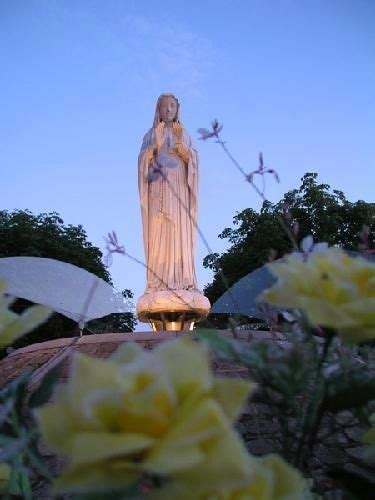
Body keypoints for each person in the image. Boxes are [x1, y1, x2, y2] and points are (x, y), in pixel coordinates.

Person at [138, 93, 199, 292]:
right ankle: (159, 280)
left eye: (173, 106)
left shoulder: (185, 133)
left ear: (177, 108)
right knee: (159, 229)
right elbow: (142, 162)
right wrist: (155, 144)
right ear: (159, 109)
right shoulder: (150, 134)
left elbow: (194, 161)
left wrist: (181, 146)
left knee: (178, 228)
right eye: (165, 106)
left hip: (179, 185)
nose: (169, 110)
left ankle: (182, 278)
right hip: (158, 186)